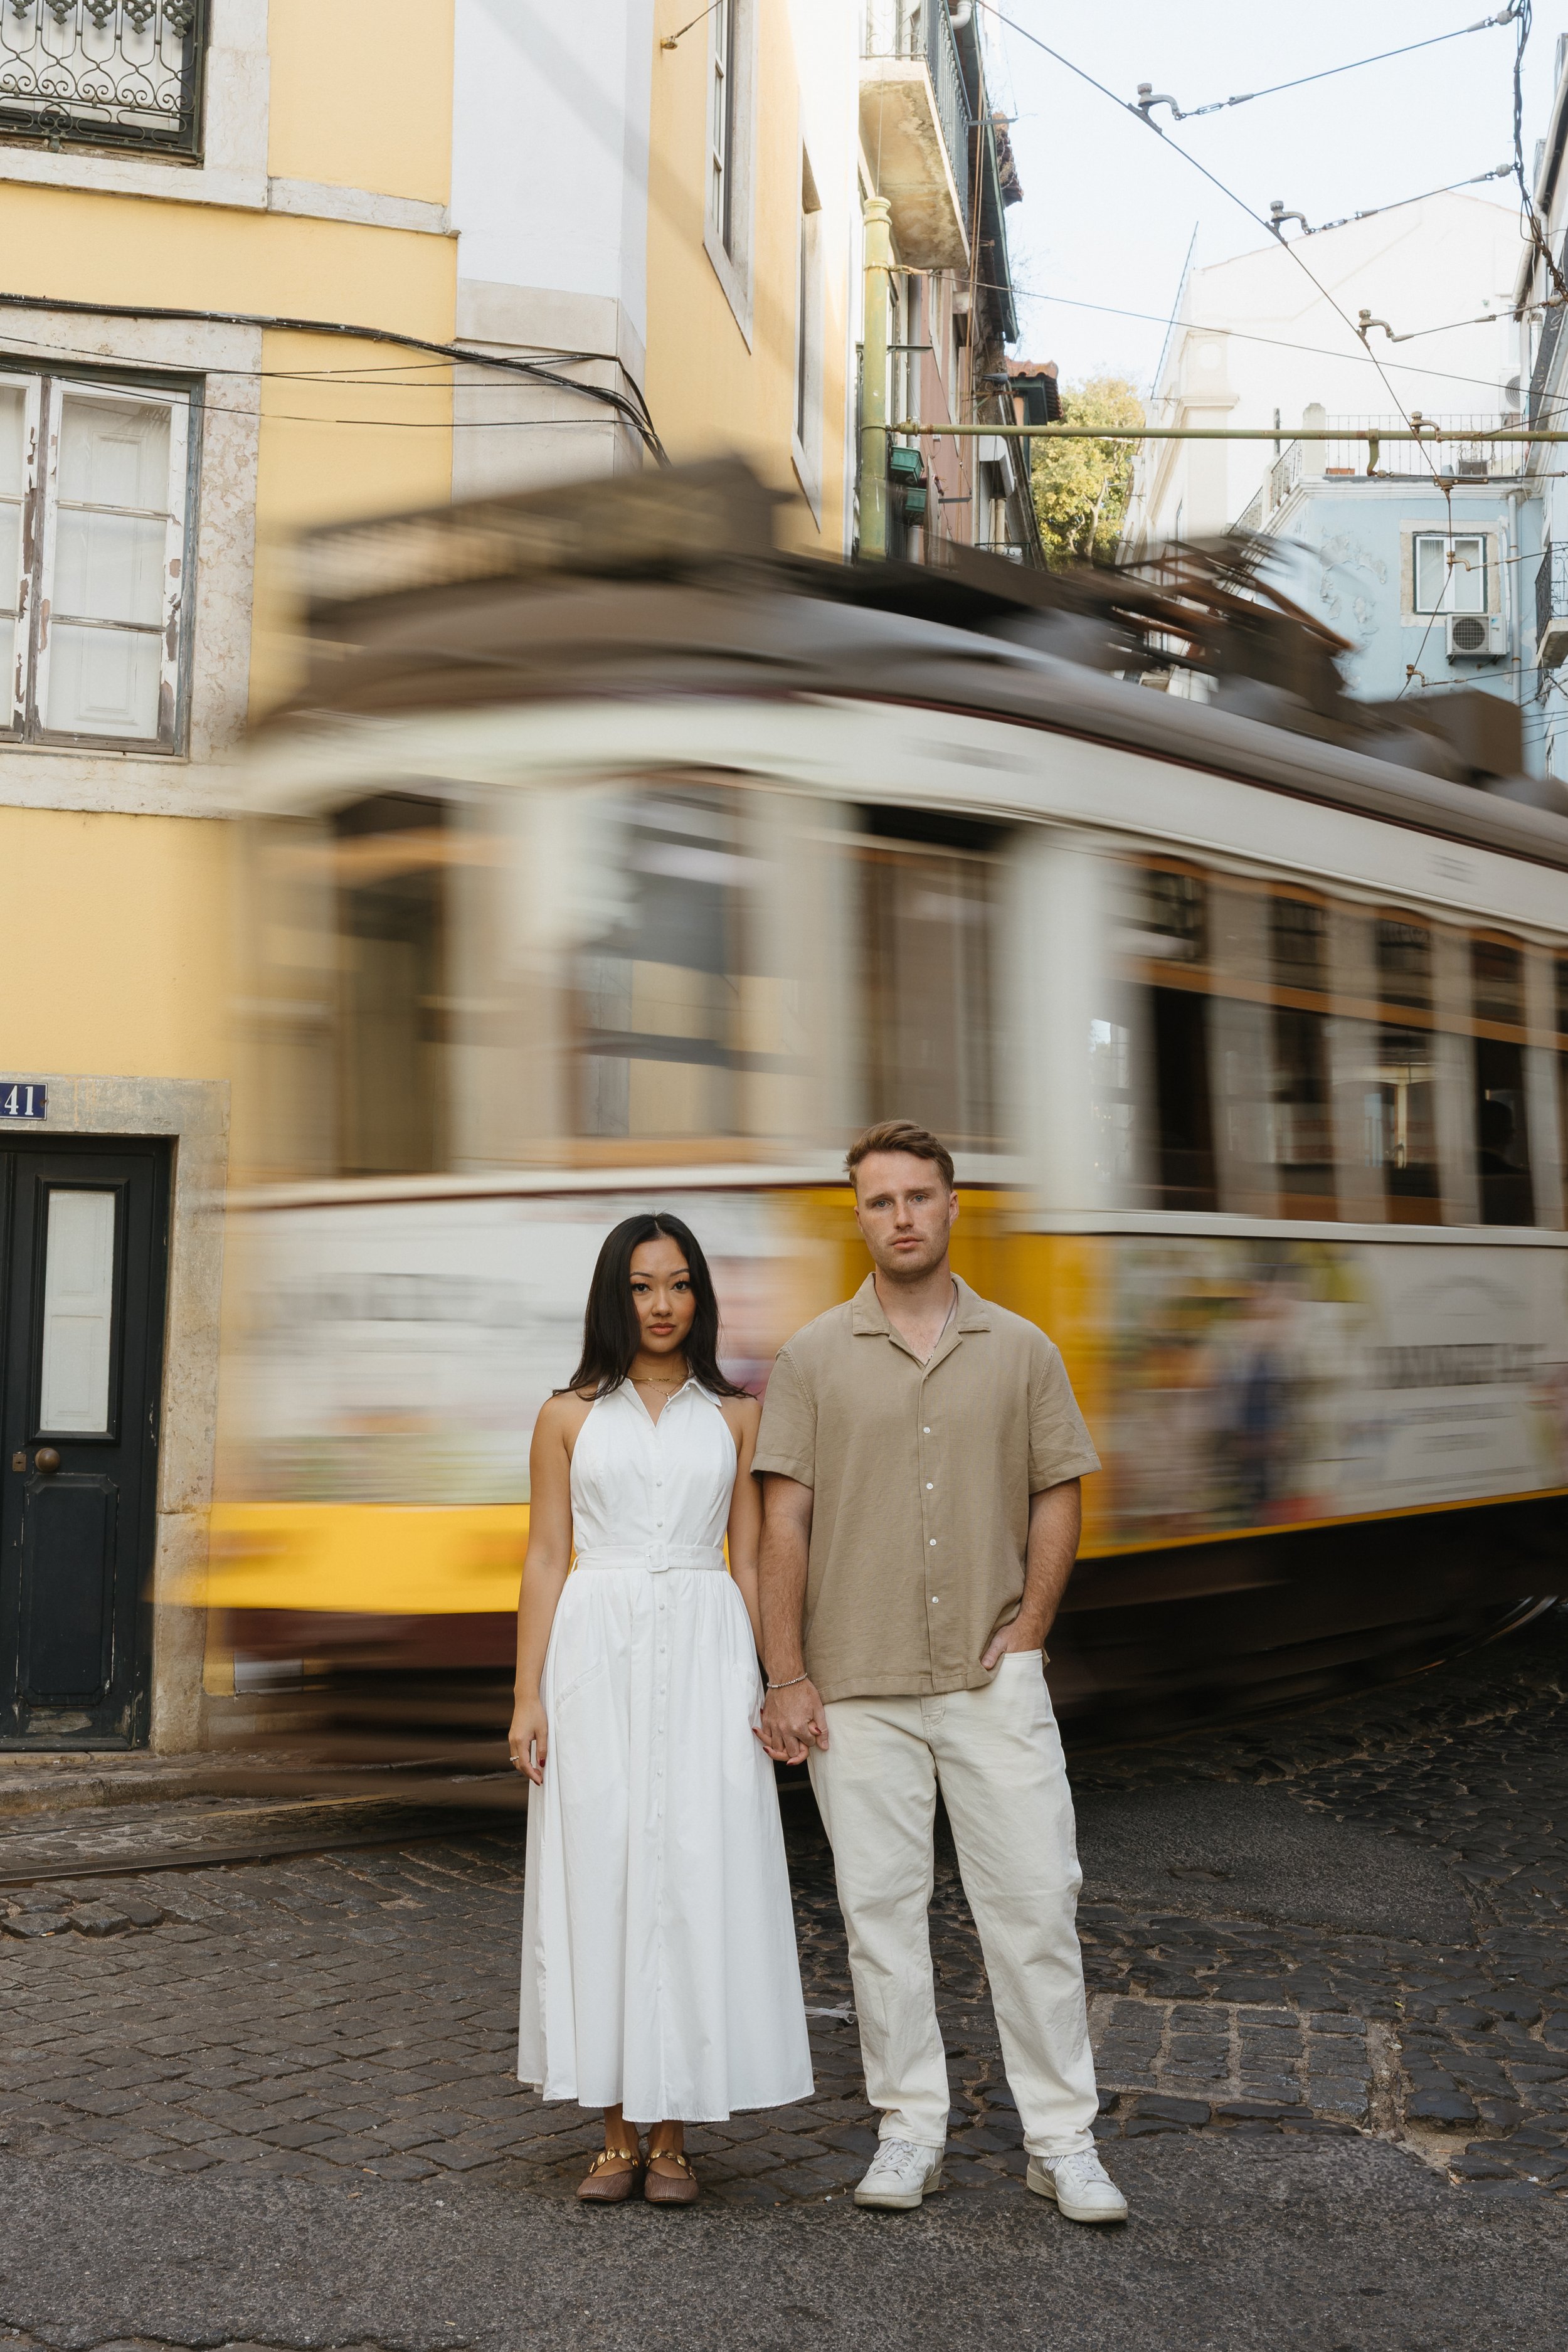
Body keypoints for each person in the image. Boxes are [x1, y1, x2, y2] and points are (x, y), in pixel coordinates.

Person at [753, 1120, 1126, 2224]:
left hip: (989, 1676)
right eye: (880, 1201)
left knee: (1035, 1906)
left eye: (920, 1196)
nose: (902, 1216)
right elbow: (786, 1521)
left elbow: (1057, 1488)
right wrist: (786, 1671)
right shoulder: (813, 1357)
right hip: (854, 1685)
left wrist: (1032, 1627)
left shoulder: (1022, 1348)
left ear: (954, 1205)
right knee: (879, 1917)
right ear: (859, 1215)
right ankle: (908, 2127)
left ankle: (1063, 2140)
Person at [510, 1212, 813, 2205]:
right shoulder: (564, 1415)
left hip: (702, 1647)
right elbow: (547, 1555)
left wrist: (776, 1677)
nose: (662, 1304)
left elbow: (753, 1550)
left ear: (700, 1298)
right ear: (615, 1296)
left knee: (690, 1865)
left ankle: (675, 2131)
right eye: (643, 1286)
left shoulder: (734, 1414)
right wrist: (527, 1695)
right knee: (599, 1867)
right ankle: (610, 2131)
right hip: (594, 1650)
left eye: (679, 1284)